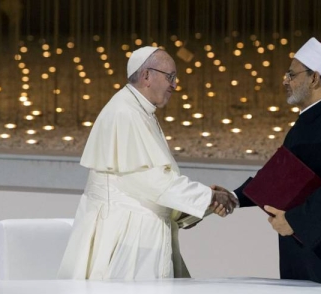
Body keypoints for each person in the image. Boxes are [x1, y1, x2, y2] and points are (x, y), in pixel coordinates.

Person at [58, 46, 237, 281]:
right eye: (170, 77)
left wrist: (202, 203)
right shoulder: (124, 113)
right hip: (127, 239)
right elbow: (152, 182)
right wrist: (207, 198)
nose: (174, 85)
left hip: (140, 235)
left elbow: (153, 185)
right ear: (146, 76)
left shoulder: (139, 110)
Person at [227, 37, 321, 294]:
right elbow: (280, 178)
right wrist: (233, 197)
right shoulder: (306, 123)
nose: (286, 80)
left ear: (314, 79)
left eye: (292, 74)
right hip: (306, 252)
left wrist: (295, 222)